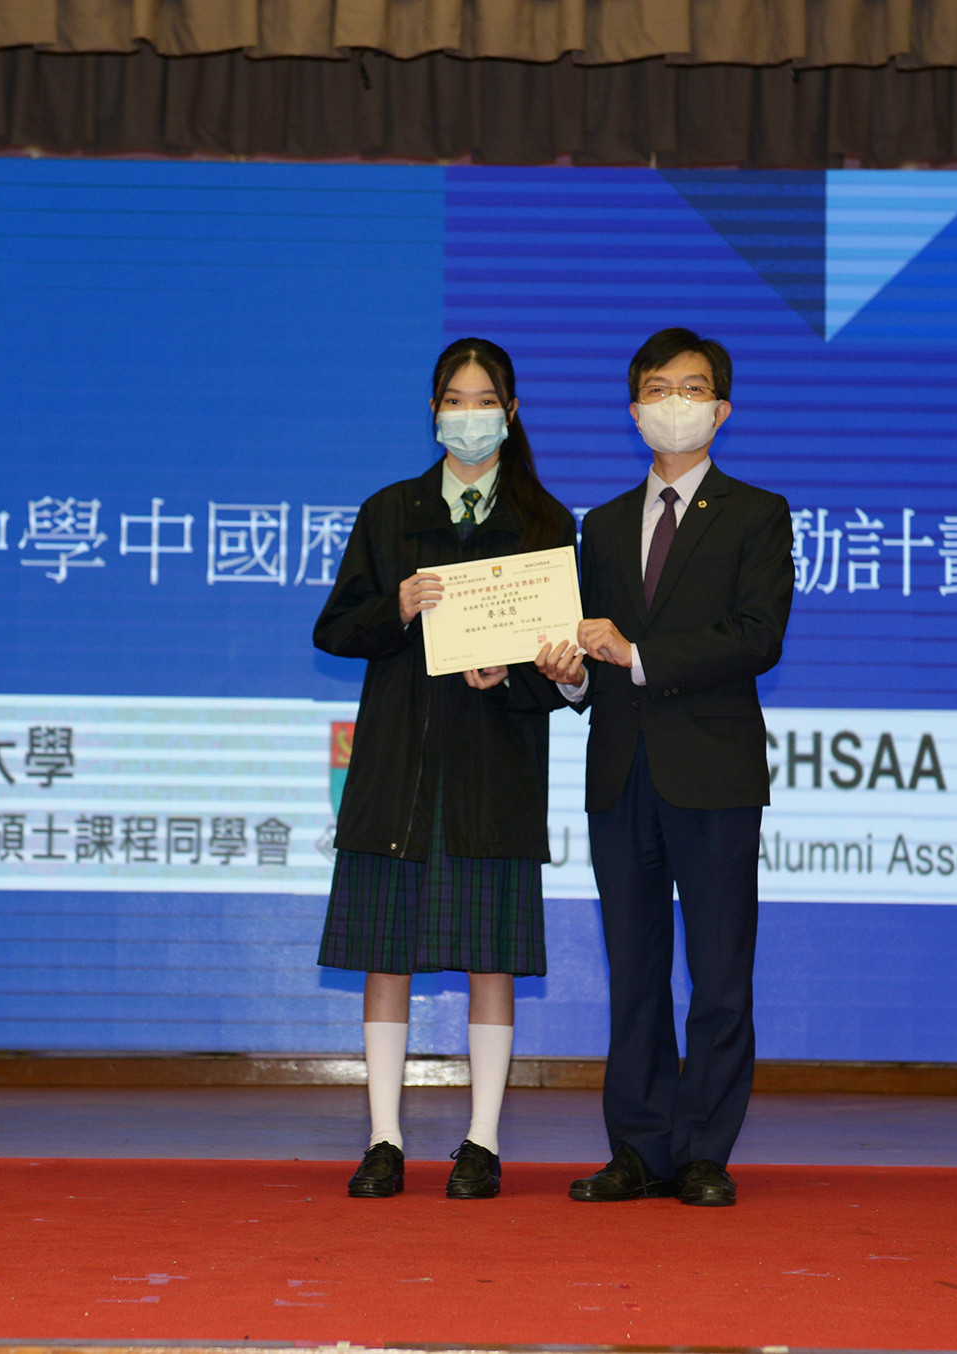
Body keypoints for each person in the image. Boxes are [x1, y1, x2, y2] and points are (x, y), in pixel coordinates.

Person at [535, 327, 794, 1208]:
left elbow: (757, 638)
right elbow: (591, 652)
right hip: (621, 773)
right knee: (635, 973)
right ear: (633, 407)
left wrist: (638, 655)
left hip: (713, 773)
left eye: (691, 389)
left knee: (719, 973)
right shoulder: (604, 525)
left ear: (722, 410)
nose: (672, 403)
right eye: (656, 388)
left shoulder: (757, 513)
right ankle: (639, 1148)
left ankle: (705, 1152)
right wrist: (570, 676)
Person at [314, 337, 577, 1202]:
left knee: (489, 961)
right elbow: (334, 629)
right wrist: (395, 606)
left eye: (484, 400)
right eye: (454, 401)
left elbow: (565, 668)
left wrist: (517, 674)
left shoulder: (546, 522)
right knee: (385, 957)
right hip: (398, 769)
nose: (469, 417)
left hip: (492, 769)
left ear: (512, 411)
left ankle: (482, 1142)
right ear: (433, 411)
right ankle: (384, 1140)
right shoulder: (390, 512)